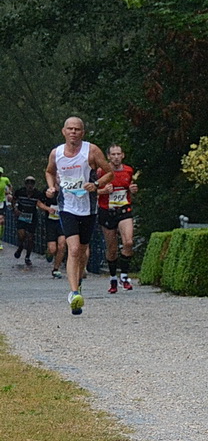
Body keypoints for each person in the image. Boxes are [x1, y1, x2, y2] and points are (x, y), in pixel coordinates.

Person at [45, 117, 113, 315]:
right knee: (73, 249)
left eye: (77, 129)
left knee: (83, 251)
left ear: (82, 133)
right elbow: (49, 171)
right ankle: (74, 293)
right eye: (70, 129)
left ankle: (79, 283)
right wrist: (51, 186)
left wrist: (97, 184)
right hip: (67, 207)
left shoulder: (91, 151)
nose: (73, 132)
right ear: (63, 131)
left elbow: (109, 173)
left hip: (88, 208)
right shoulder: (56, 153)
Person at [98, 143, 139, 293]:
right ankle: (113, 278)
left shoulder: (128, 170)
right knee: (112, 249)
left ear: (123, 155)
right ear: (108, 156)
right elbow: (91, 191)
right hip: (107, 211)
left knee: (128, 242)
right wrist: (103, 190)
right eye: (113, 154)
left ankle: (124, 276)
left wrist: (133, 190)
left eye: (118, 154)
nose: (116, 157)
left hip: (123, 209)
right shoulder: (101, 171)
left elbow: (129, 187)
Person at [12, 176, 42, 267]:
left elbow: (42, 203)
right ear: (25, 184)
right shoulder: (20, 192)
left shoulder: (38, 194)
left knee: (30, 238)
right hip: (22, 214)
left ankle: (27, 257)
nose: (30, 185)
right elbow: (14, 200)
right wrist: (15, 209)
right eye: (28, 183)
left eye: (32, 183)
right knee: (22, 235)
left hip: (32, 216)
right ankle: (20, 246)